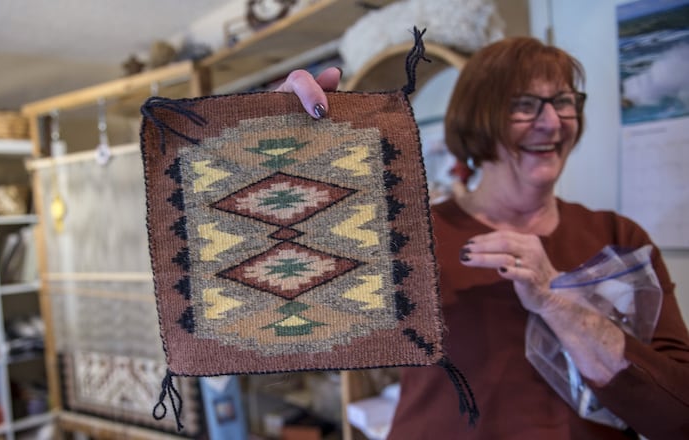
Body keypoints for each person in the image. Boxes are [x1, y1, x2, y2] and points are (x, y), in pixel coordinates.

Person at [276, 36, 689, 439]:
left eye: (563, 102)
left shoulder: (618, 238)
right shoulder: (409, 234)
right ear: (479, 118)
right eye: (525, 106)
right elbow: (284, 307)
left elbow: (678, 417)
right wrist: (272, 154)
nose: (552, 122)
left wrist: (555, 300)